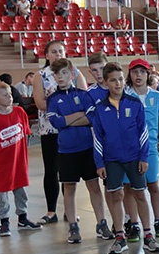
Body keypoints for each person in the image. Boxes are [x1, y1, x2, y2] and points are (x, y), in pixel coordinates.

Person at [89, 62, 159, 254]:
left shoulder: (134, 103)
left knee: (140, 194)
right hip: (112, 161)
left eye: (121, 79)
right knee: (116, 195)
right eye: (113, 80)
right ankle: (120, 237)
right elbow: (98, 137)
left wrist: (144, 157)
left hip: (134, 158)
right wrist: (99, 163)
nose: (118, 83)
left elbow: (143, 133)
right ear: (106, 82)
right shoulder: (101, 108)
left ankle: (148, 235)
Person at [45, 58, 112, 243]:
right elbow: (56, 122)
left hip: (87, 147)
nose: (60, 77)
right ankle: (73, 226)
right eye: (57, 74)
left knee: (94, 186)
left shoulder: (84, 95)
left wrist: (67, 119)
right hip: (66, 150)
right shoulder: (52, 99)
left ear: (72, 74)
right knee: (69, 188)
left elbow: (91, 118)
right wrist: (77, 115)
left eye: (64, 73)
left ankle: (102, 223)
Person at [32, 40, 88, 224]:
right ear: (46, 55)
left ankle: (69, 211)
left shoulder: (75, 72)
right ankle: (50, 211)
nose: (58, 54)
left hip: (72, 128)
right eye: (54, 51)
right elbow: (40, 104)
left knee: (68, 172)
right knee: (51, 169)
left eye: (61, 51)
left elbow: (83, 97)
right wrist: (63, 109)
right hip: (50, 129)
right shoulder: (40, 76)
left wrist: (67, 116)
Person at [0, 82, 42, 237]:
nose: (9, 97)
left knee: (20, 189)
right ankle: (4, 222)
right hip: (1, 162)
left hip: (18, 160)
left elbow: (25, 132)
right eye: (5, 95)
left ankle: (23, 218)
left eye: (9, 93)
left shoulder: (19, 112)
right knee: (2, 192)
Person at [123, 58, 159, 240]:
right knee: (130, 187)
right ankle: (133, 224)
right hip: (129, 149)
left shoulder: (156, 96)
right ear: (130, 75)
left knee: (153, 185)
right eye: (135, 72)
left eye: (142, 72)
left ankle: (158, 220)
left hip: (149, 147)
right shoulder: (125, 96)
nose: (139, 75)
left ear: (148, 74)